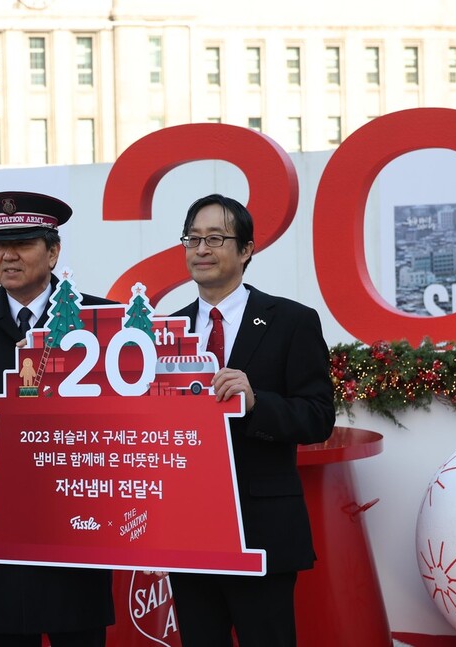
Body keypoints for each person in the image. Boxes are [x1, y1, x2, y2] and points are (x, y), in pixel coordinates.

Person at [0, 190, 115, 647]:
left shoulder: (100, 321)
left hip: (78, 525)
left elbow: (123, 426)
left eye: (24, 243)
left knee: (80, 634)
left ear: (53, 252)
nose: (7, 255)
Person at [168, 194, 335, 646]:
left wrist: (257, 401)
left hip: (263, 530)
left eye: (216, 238)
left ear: (246, 250)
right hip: (188, 532)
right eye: (193, 238)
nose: (201, 249)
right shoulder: (165, 333)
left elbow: (318, 416)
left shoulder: (292, 321)